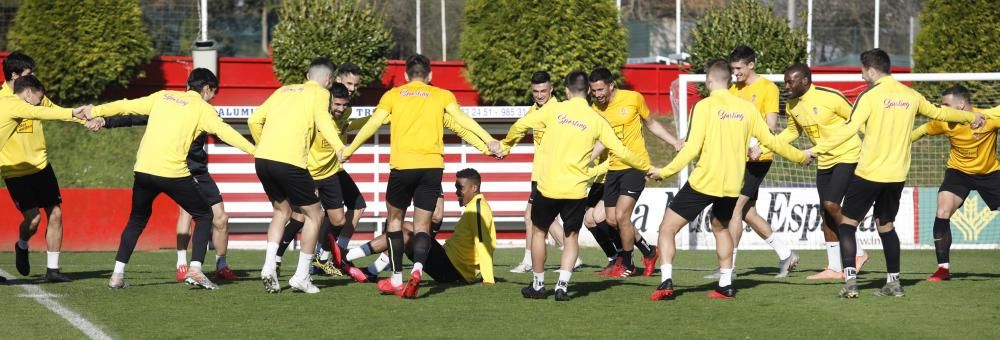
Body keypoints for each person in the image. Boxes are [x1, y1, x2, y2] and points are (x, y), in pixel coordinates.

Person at [812, 49, 983, 298]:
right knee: (886, 226)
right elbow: (940, 113)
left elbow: (848, 129)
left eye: (862, 71)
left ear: (871, 70)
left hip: (869, 173)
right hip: (896, 176)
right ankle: (894, 283)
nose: (861, 76)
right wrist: (970, 116)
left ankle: (850, 283)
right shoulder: (910, 95)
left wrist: (815, 150)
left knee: (847, 225)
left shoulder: (869, 96)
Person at [647, 59, 812, 300]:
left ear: (710, 80)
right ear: (729, 79)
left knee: (667, 228)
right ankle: (725, 285)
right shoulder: (747, 109)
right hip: (732, 185)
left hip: (704, 182)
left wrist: (664, 172)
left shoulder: (703, 107)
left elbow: (691, 149)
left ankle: (666, 283)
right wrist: (799, 156)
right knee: (721, 228)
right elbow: (772, 140)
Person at [339, 54, 500, 299]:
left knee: (394, 221)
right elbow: (462, 120)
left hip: (403, 167)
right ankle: (417, 270)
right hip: (432, 167)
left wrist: (349, 150)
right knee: (423, 225)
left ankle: (395, 278)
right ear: (430, 76)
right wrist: (489, 141)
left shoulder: (393, 95)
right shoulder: (442, 95)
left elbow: (372, 124)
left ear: (405, 75)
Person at [89, 68, 255, 290]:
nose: (211, 98)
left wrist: (95, 111)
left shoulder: (163, 96)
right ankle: (194, 268)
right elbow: (226, 133)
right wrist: (255, 150)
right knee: (204, 215)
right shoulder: (203, 109)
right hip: (173, 173)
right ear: (206, 89)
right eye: (212, 93)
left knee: (137, 220)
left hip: (144, 170)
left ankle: (117, 274)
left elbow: (126, 105)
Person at [503, 70, 654, 301]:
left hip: (549, 185)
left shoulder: (554, 110)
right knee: (571, 236)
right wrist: (646, 166)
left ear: (565, 91)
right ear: (588, 92)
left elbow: (521, 125)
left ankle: (538, 285)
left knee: (539, 231)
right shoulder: (596, 119)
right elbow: (621, 150)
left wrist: (505, 145)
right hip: (576, 189)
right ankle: (562, 286)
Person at [90, 116, 237, 282]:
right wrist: (106, 121)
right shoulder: (175, 109)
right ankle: (182, 265)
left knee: (221, 218)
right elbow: (138, 116)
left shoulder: (206, 112)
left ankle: (221, 265)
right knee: (186, 214)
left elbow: (224, 132)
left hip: (200, 171)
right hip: (180, 169)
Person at [249, 57, 344, 294]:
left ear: (307, 75)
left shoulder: (283, 90)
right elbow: (323, 120)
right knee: (315, 215)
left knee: (282, 211)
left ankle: (269, 266)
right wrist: (339, 147)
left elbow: (253, 120)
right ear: (328, 80)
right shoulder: (322, 94)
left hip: (263, 160)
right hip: (290, 162)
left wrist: (263, 145)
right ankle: (302, 276)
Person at [708, 45, 798, 279]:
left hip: (760, 157)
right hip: (738, 158)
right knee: (748, 213)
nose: (735, 72)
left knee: (735, 208)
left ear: (751, 65)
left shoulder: (768, 88)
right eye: (732, 68)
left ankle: (729, 267)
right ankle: (786, 255)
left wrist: (756, 145)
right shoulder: (733, 89)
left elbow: (771, 126)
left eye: (739, 68)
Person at [778, 63, 870, 280]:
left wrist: (876, 142)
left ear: (805, 81)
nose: (787, 86)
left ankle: (859, 252)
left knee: (832, 204)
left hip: (848, 155)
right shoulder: (792, 104)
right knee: (825, 213)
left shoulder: (831, 97)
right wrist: (767, 144)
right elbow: (792, 131)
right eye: (785, 82)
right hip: (824, 160)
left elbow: (857, 121)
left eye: (790, 81)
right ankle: (834, 267)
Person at [343, 168, 495, 290]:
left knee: (403, 232)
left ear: (474, 188)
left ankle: (346, 258)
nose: (456, 192)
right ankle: (368, 270)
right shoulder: (476, 206)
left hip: (454, 271)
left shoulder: (479, 209)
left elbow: (484, 243)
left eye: (460, 188)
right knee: (404, 227)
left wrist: (488, 279)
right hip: (448, 260)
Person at [589, 67, 677, 278]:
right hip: (613, 168)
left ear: (611, 85)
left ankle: (627, 262)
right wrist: (583, 161)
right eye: (594, 91)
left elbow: (652, 123)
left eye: (600, 89)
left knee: (622, 215)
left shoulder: (633, 98)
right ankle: (649, 251)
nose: (598, 94)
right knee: (610, 219)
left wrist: (675, 142)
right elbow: (601, 141)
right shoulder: (595, 109)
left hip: (636, 166)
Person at [910, 85, 1000, 282]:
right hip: (958, 173)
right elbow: (924, 129)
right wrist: (901, 142)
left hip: (989, 173)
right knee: (942, 210)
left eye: (946, 105)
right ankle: (943, 269)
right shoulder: (944, 123)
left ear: (960, 105)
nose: (942, 109)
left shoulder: (988, 118)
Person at [1, 52, 76, 282]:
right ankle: (22, 244)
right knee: (33, 219)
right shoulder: (7, 100)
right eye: (28, 74)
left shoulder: (34, 93)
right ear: (14, 76)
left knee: (55, 213)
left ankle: (53, 269)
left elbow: (52, 111)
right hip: (14, 168)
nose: (32, 77)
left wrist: (85, 117)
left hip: (41, 166)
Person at [509, 70, 580, 274]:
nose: (540, 95)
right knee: (541, 218)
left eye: (543, 91)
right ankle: (570, 256)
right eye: (536, 91)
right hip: (538, 174)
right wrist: (504, 148)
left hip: (553, 173)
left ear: (552, 90)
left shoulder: (559, 110)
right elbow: (519, 130)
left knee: (532, 216)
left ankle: (530, 260)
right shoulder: (533, 111)